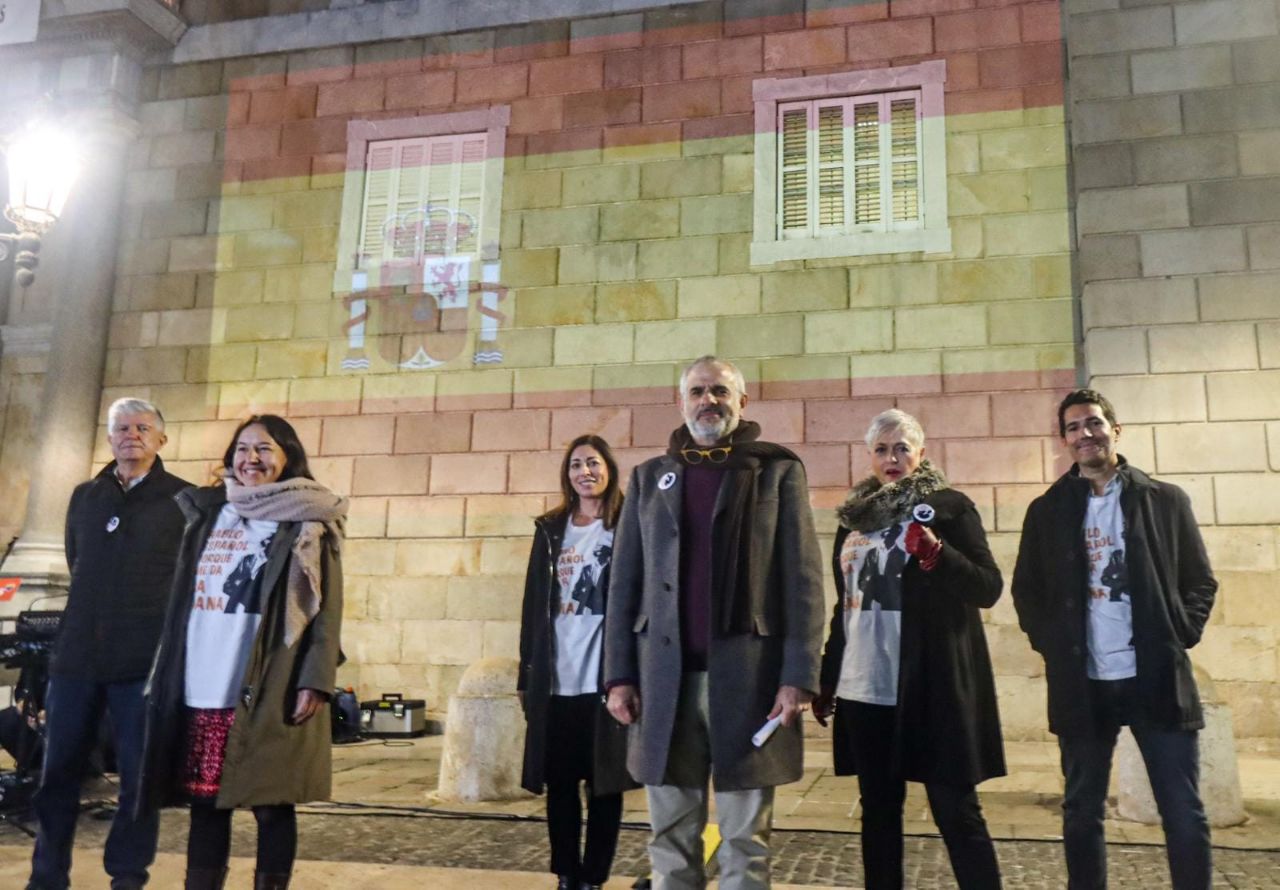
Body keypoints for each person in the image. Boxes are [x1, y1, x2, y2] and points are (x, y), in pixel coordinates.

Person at [604, 355, 825, 890]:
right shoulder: (650, 477)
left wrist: (798, 677)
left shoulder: (776, 471)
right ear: (681, 402)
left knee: (746, 840)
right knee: (670, 838)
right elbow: (624, 583)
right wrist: (619, 676)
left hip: (750, 681)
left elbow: (802, 580)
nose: (709, 401)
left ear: (742, 402)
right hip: (664, 684)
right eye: (699, 391)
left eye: (721, 392)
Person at [1012, 389, 1217, 890]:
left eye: (1095, 423)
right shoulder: (1046, 511)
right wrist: (1054, 647)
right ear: (1064, 440)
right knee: (1082, 810)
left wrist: (1179, 632)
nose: (1086, 434)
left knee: (1182, 810)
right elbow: (1026, 592)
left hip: (1156, 676)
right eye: (1074, 427)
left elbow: (1199, 581)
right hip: (1083, 682)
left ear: (1115, 430)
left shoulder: (1164, 500)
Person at [140, 415, 346, 890]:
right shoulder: (207, 512)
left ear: (288, 457)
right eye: (243, 448)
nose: (251, 458)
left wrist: (316, 679)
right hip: (202, 677)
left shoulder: (309, 517)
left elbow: (328, 609)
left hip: (268, 676)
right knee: (205, 802)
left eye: (264, 449)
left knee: (273, 803)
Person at [812, 409, 1004, 890]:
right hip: (864, 686)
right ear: (870, 456)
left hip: (929, 684)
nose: (891, 458)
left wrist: (939, 554)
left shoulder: (948, 508)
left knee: (954, 808)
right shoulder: (854, 521)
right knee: (878, 811)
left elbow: (988, 587)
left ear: (920, 453)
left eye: (901, 448)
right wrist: (827, 676)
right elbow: (846, 606)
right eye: (881, 449)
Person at [27, 397, 192, 890]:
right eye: (121, 428)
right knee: (57, 775)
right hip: (77, 658)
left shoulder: (183, 500)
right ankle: (47, 877)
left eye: (142, 428)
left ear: (161, 439)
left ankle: (127, 877)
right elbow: (78, 561)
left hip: (142, 659)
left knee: (138, 781)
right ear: (109, 438)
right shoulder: (86, 496)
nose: (131, 435)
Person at [518, 434, 634, 890]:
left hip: (606, 678)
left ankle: (594, 877)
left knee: (605, 784)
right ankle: (567, 874)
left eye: (593, 462)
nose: (585, 472)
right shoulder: (551, 529)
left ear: (609, 468)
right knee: (560, 784)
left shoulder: (628, 523)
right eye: (576, 465)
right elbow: (532, 605)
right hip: (557, 678)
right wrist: (526, 673)